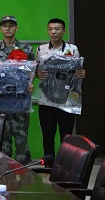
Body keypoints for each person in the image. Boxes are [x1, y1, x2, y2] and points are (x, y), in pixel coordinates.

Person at [36, 18, 85, 157]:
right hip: (46, 100)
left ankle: (66, 165)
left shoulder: (72, 49)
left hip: (66, 101)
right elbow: (37, 71)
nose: (53, 32)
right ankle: (49, 165)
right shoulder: (41, 49)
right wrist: (38, 75)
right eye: (50, 29)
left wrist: (81, 74)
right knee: (47, 137)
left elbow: (77, 72)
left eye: (57, 29)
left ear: (64, 31)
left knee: (67, 137)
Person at [0, 15, 35, 164]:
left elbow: (32, 70)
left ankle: (22, 170)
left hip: (20, 101)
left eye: (11, 26)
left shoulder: (26, 49)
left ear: (16, 28)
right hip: (2, 101)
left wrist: (30, 83)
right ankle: (5, 169)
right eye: (5, 26)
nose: (8, 28)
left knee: (21, 137)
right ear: (0, 29)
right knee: (3, 138)